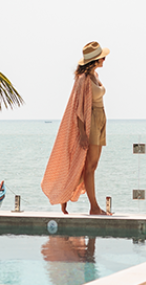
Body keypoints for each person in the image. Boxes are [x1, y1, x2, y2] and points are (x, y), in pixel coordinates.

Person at [41, 41, 111, 215]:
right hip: (91, 123)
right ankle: (94, 207)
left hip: (100, 120)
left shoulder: (94, 76)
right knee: (89, 166)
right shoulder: (83, 80)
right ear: (94, 60)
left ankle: (70, 197)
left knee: (92, 165)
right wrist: (81, 133)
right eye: (102, 57)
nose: (104, 59)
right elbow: (78, 108)